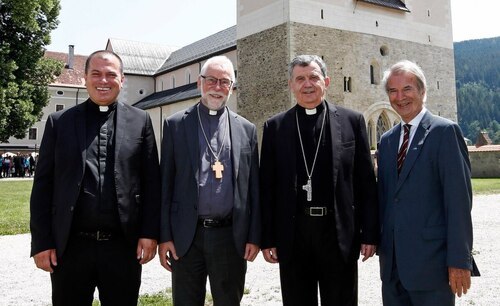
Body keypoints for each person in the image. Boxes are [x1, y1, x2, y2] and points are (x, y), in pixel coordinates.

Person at [30, 50, 161, 305]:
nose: (103, 80)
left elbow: (151, 182)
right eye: (96, 74)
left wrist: (149, 233)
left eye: (111, 75)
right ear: (85, 79)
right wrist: (41, 242)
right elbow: (43, 185)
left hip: (122, 247)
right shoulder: (60, 122)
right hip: (71, 248)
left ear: (122, 80)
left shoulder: (140, 120)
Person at [260, 54, 379, 305]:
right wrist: (268, 238)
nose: (307, 84)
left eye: (314, 77)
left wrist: (369, 233)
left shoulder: (351, 121)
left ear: (326, 81)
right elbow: (267, 188)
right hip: (294, 234)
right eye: (300, 79)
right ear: (291, 85)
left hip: (337, 233)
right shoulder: (275, 127)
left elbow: (366, 183)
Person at [158, 55, 261, 306]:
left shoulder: (246, 129)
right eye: (211, 80)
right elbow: (165, 185)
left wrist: (254, 235)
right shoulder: (175, 125)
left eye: (224, 82)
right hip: (187, 235)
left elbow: (253, 188)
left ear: (232, 87)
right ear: (199, 83)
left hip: (229, 236)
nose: (217, 87)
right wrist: (164, 236)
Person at [377, 60, 478, 305]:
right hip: (393, 269)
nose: (400, 97)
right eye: (393, 91)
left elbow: (459, 203)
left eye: (407, 89)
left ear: (423, 91)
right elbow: (387, 199)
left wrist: (459, 260)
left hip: (432, 267)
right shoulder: (387, 141)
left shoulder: (444, 132)